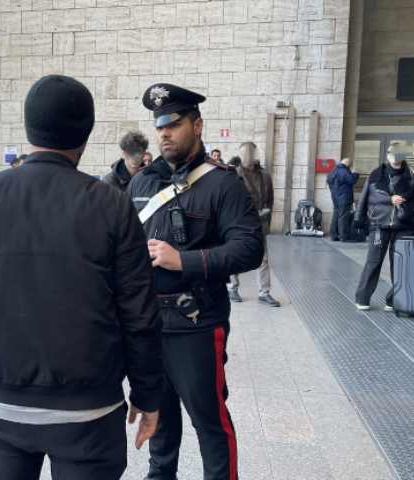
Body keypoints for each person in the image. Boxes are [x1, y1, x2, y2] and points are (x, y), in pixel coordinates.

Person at [0, 74, 163, 480]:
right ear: (85, 135)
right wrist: (147, 393)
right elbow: (139, 313)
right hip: (90, 411)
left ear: (28, 127)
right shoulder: (111, 205)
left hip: (3, 407)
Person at [128, 83, 264, 480]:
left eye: (173, 123)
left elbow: (248, 251)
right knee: (160, 425)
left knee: (210, 423)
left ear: (197, 125)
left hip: (197, 324)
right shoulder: (141, 184)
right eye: (159, 126)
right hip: (151, 326)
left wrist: (182, 261)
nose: (164, 132)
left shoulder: (222, 184)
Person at [354, 144, 414, 311]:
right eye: (392, 153)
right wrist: (359, 219)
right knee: (373, 262)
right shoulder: (376, 175)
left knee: (401, 265)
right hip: (379, 224)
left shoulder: (411, 177)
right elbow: (365, 198)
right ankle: (362, 298)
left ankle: (394, 299)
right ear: (387, 156)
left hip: (404, 226)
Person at [226, 142, 279, 306]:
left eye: (252, 151)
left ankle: (264, 292)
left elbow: (270, 199)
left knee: (263, 259)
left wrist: (267, 212)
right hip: (239, 222)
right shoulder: (234, 174)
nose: (249, 155)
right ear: (240, 154)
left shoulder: (264, 175)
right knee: (235, 255)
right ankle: (232, 288)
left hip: (259, 223)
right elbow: (229, 201)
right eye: (246, 151)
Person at [327, 157, 360, 242]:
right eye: (350, 165)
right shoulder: (344, 171)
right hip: (344, 197)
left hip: (335, 197)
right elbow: (352, 180)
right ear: (348, 164)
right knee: (343, 216)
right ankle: (343, 236)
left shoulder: (333, 171)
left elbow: (328, 181)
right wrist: (355, 173)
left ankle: (333, 235)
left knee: (336, 215)